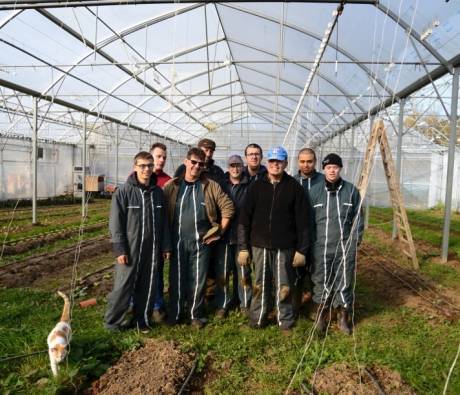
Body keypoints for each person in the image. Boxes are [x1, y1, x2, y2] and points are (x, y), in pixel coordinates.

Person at [238, 146, 310, 332]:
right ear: (267, 163)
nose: (275, 165)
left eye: (279, 161)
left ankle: (284, 320)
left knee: (284, 285)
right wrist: (244, 247)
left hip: (284, 246)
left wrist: (302, 250)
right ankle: (257, 318)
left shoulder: (294, 188)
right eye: (272, 161)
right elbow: (244, 219)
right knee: (260, 283)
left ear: (285, 163)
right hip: (259, 245)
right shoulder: (256, 187)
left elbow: (303, 222)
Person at [164, 147, 234, 328]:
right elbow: (162, 214)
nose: (196, 166)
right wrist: (165, 243)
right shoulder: (172, 186)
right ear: (186, 162)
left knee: (198, 279)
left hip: (200, 243)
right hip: (177, 241)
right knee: (176, 278)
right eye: (193, 162)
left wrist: (219, 232)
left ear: (204, 166)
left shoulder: (210, 186)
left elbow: (228, 208)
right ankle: (176, 313)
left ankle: (196, 314)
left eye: (200, 164)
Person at [105, 151, 171, 332]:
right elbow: (116, 223)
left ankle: (141, 320)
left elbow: (164, 221)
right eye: (142, 166)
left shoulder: (157, 193)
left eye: (150, 165)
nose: (146, 169)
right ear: (135, 167)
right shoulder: (124, 192)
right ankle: (112, 322)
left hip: (152, 249)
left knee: (148, 285)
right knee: (122, 287)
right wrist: (120, 249)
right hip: (130, 249)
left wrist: (165, 245)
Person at [308, 153, 364, 335]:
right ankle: (321, 317)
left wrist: (355, 240)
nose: (332, 170)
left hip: (344, 246)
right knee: (320, 280)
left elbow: (358, 219)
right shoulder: (315, 192)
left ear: (340, 168)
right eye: (328, 167)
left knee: (345, 280)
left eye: (335, 167)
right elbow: (308, 221)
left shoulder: (351, 191)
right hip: (321, 246)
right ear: (323, 169)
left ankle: (343, 318)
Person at [214, 154, 251, 317]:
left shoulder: (249, 185)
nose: (235, 169)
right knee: (223, 272)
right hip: (224, 236)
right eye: (232, 166)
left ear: (243, 167)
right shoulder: (221, 185)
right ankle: (222, 304)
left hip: (242, 236)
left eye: (238, 165)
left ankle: (245, 304)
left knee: (243, 272)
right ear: (228, 168)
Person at [293, 148, 324, 312]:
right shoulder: (292, 181)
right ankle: (295, 305)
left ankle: (315, 305)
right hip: (297, 236)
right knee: (296, 271)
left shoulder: (324, 181)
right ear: (298, 162)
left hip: (318, 235)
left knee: (317, 271)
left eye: (309, 161)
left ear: (315, 162)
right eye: (303, 161)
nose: (306, 165)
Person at [149, 142, 172, 324]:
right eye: (158, 156)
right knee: (137, 273)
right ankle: (135, 305)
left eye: (164, 157)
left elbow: (168, 213)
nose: (161, 160)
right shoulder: (136, 177)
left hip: (158, 234)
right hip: (140, 235)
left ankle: (157, 306)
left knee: (157, 272)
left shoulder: (167, 181)